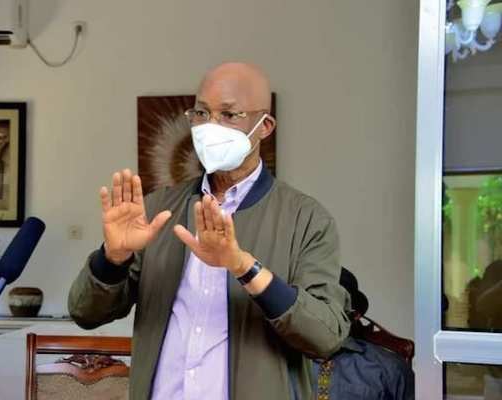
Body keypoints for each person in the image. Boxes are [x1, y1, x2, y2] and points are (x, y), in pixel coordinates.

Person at [68, 62, 350, 400]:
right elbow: (85, 313)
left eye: (229, 115)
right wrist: (113, 258)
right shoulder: (158, 210)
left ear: (264, 126)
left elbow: (325, 336)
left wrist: (245, 268)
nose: (210, 126)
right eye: (202, 113)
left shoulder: (306, 219)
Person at [312, 267, 415, 400]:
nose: (323, 317)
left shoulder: (389, 368)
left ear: (355, 316)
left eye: (334, 309)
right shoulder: (289, 363)